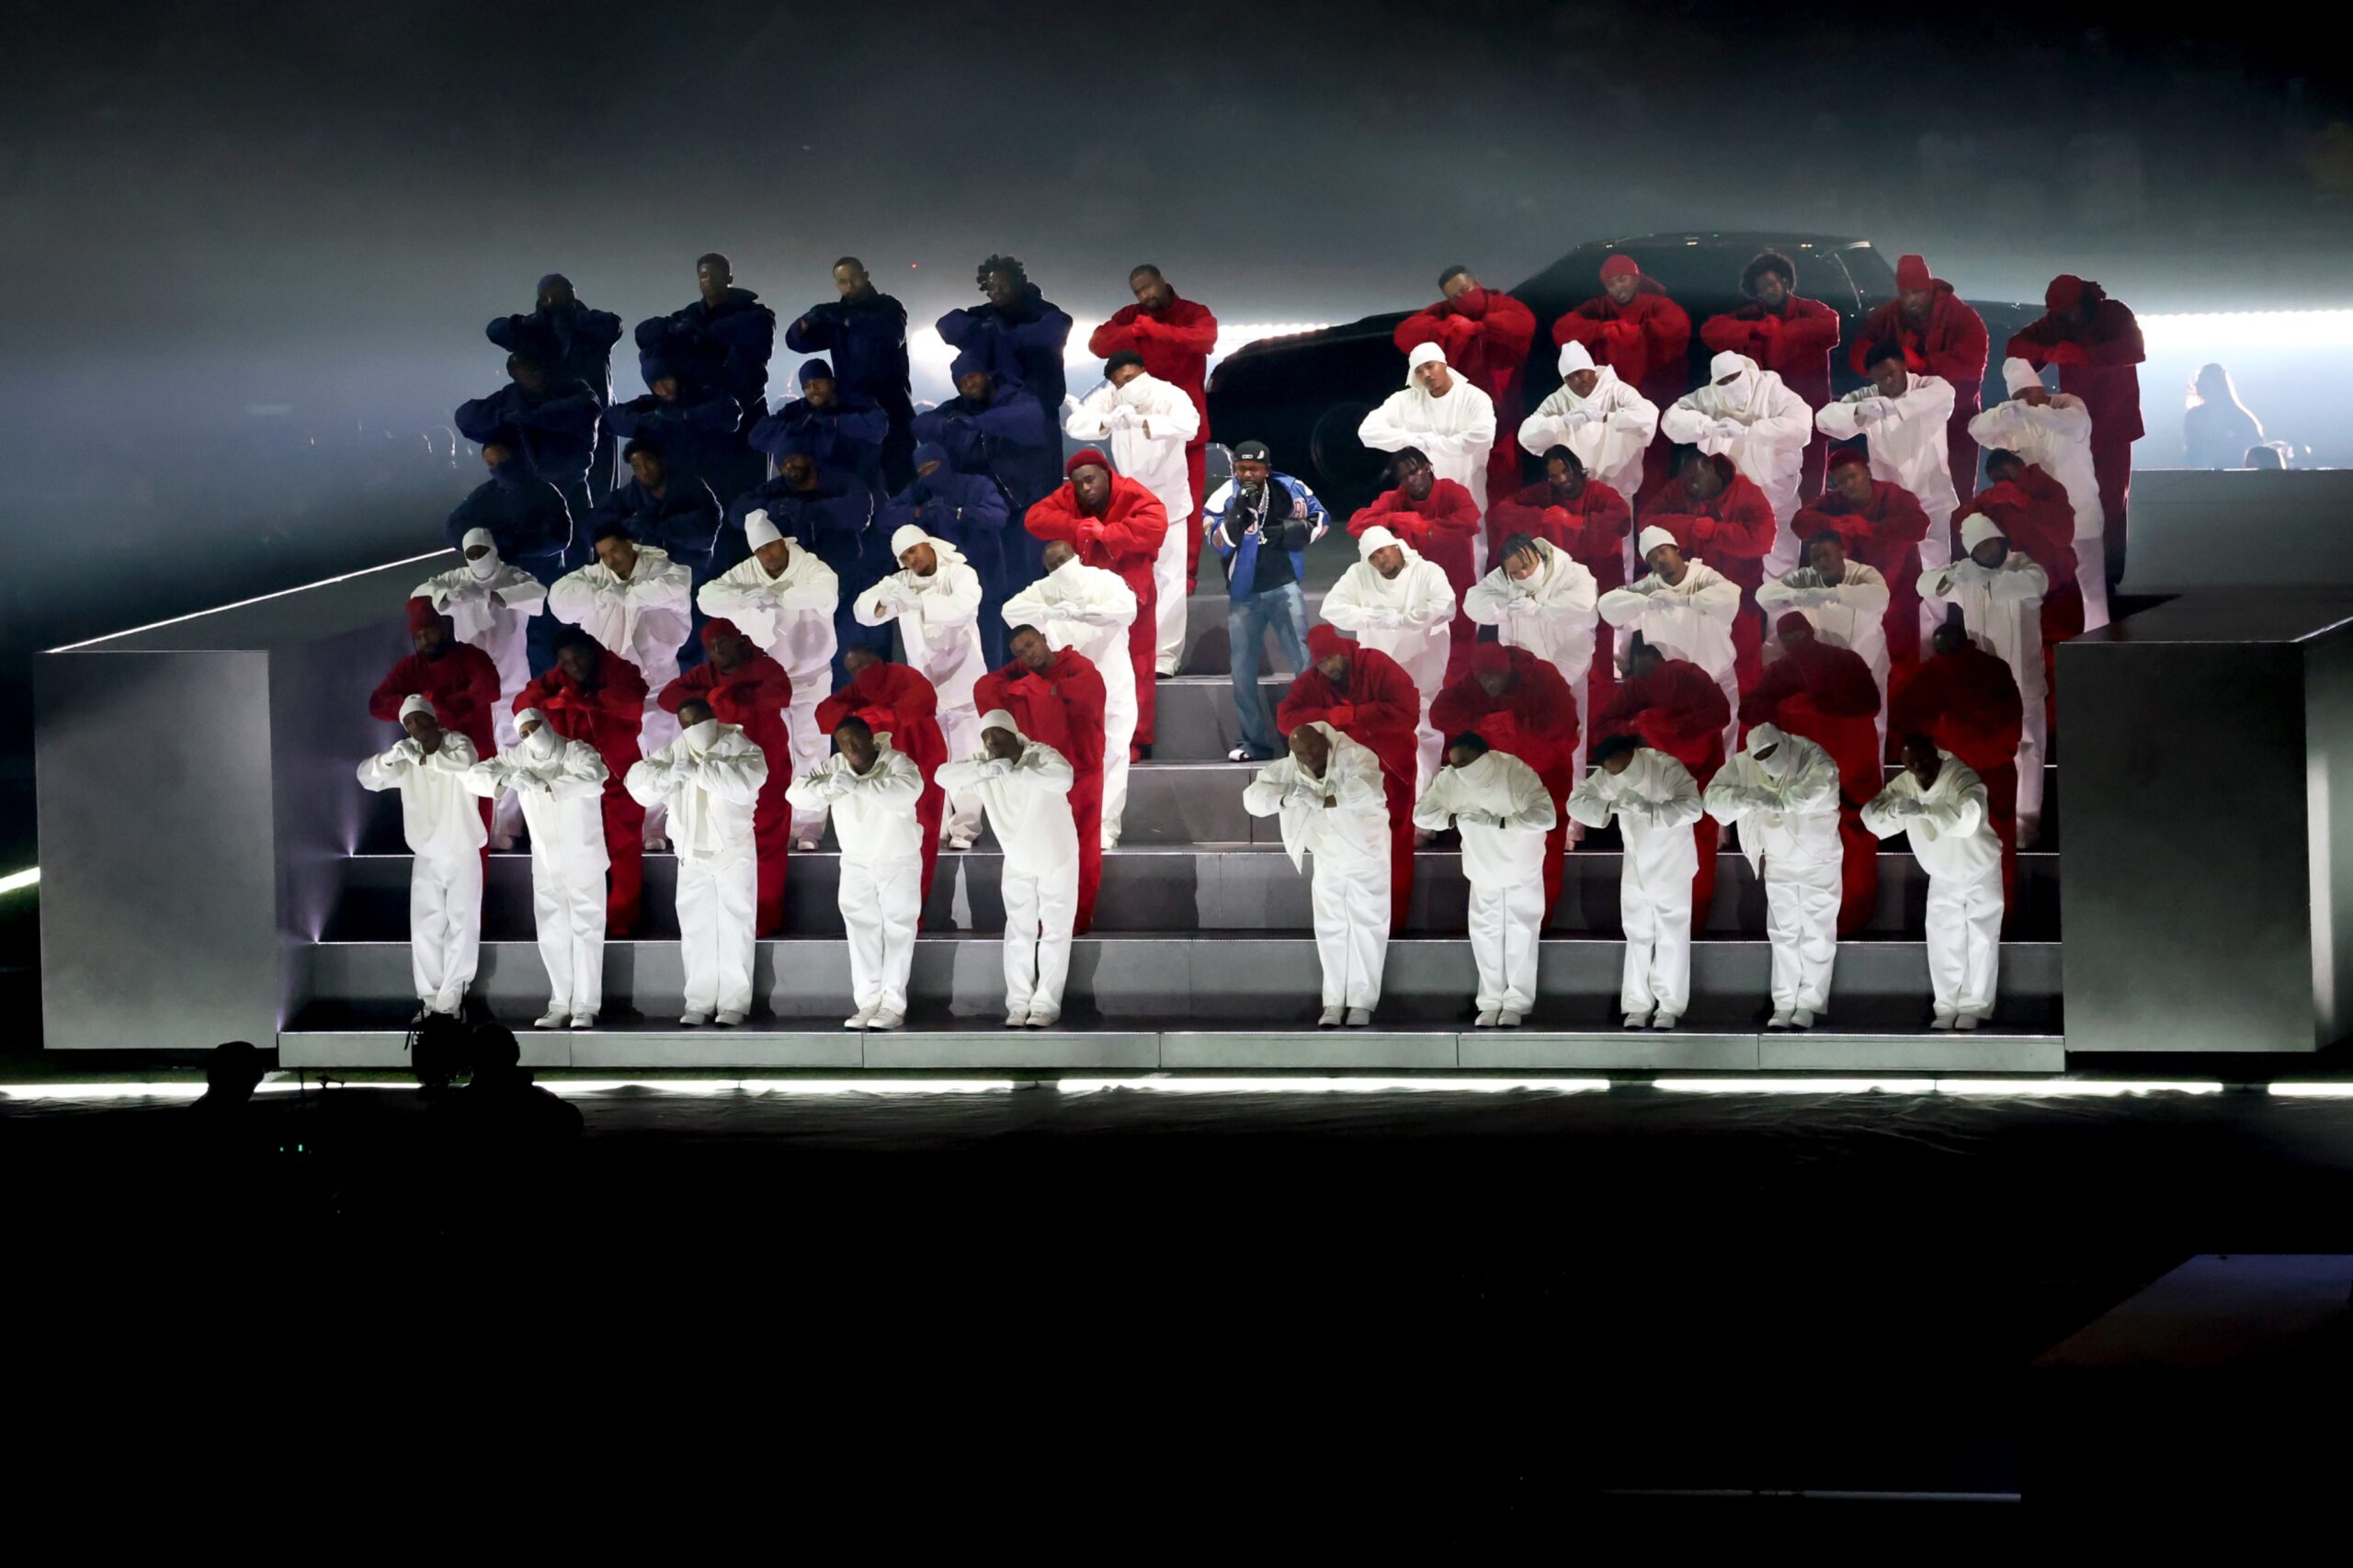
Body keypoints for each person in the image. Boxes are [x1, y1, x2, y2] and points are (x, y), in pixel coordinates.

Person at [697, 510, 840, 847]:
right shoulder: (749, 571)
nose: (768, 556)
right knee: (771, 752)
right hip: (767, 683)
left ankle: (809, 827)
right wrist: (745, 597)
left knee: (811, 749)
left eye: (772, 548)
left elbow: (823, 591)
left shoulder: (810, 566)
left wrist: (777, 596)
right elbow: (707, 598)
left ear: (783, 542)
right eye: (760, 551)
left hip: (809, 675)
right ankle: (774, 821)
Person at [548, 518, 694, 845]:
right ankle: (618, 825)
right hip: (612, 683)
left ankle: (657, 826)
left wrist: (626, 594)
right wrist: (602, 595)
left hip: (657, 677)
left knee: (661, 752)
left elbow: (673, 588)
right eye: (603, 555)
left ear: (630, 544)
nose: (609, 560)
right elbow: (559, 603)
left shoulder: (663, 567)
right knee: (617, 756)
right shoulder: (597, 575)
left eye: (614, 551)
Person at [461, 707, 608, 1029]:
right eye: (524, 733)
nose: (531, 737)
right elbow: (473, 776)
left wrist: (544, 785)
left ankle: (585, 1005)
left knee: (586, 931)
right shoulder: (519, 757)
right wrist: (505, 779)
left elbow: (595, 777)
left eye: (534, 728)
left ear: (548, 724)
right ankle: (559, 1001)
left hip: (583, 856)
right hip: (545, 860)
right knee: (552, 932)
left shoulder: (576, 751)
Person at [626, 695, 767, 1027]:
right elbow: (637, 783)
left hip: (732, 850)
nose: (692, 729)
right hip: (691, 853)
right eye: (686, 724)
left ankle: (734, 1003)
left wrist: (701, 770)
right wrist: (667, 776)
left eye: (698, 721)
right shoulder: (676, 750)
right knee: (695, 928)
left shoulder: (743, 747)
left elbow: (745, 786)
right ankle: (699, 1001)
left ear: (713, 718)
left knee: (736, 925)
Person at [1741, 614, 1884, 937]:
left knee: (1846, 843)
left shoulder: (1834, 662)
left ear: (1808, 632)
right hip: (1826, 771)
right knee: (1834, 845)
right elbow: (1750, 709)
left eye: (1794, 635)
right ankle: (1836, 921)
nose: (1794, 642)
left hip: (1841, 769)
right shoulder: (1785, 669)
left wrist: (1808, 705)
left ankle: (1844, 920)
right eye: (1788, 637)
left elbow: (1869, 703)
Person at [1241, 721, 1392, 1028]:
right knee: (1330, 928)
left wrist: (1325, 800)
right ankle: (1333, 1001)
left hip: (1366, 855)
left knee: (1367, 927)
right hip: (1327, 857)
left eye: (1312, 748)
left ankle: (1362, 1002)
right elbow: (1252, 798)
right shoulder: (1291, 767)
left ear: (1325, 741)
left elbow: (1367, 789)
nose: (1308, 756)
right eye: (1300, 752)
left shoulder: (1356, 755)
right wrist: (1284, 799)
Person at [937, 711, 1080, 1027]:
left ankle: (1045, 1004)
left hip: (1057, 853)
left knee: (1056, 929)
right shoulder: (985, 764)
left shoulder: (1040, 755)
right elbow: (942, 776)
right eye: (986, 736)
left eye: (997, 734)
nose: (990, 741)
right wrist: (985, 769)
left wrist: (1017, 775)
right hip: (1017, 857)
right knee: (1018, 931)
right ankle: (1018, 1003)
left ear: (1014, 734)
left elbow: (1064, 778)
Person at [1023, 449, 1169, 756]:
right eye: (1078, 484)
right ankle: (1089, 736)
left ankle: (1136, 740)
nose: (1084, 489)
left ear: (1107, 474)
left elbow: (1157, 525)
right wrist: (1077, 527)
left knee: (1138, 666)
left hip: (1132, 595)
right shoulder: (1070, 496)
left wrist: (1108, 533)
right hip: (1088, 602)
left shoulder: (1131, 491)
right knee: (1086, 669)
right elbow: (1034, 519)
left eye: (1090, 480)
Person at [1064, 350, 1199, 676]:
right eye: (1117, 381)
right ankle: (1130, 648)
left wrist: (1144, 422)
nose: (1124, 385)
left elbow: (1190, 425)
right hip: (1130, 505)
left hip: (1168, 502)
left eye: (1128, 377)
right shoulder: (1112, 397)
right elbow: (1075, 425)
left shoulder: (1170, 394)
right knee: (1129, 576)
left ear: (1142, 369)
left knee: (1169, 576)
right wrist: (1106, 421)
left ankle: (1165, 656)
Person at [1279, 627, 1424, 932]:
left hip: (1391, 770)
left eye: (1333, 658)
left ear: (1344, 651)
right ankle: (1360, 926)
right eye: (1322, 663)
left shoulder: (1377, 665)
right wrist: (1332, 717)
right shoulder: (1313, 682)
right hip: (1346, 778)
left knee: (1396, 841)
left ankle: (1395, 922)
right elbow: (1286, 718)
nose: (1329, 667)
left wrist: (1355, 715)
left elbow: (1408, 710)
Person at [786, 715, 926, 1029]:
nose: (852, 748)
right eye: (845, 743)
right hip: (856, 861)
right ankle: (868, 1003)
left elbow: (907, 793)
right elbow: (794, 794)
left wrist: (860, 786)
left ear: (872, 739)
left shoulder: (897, 762)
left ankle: (892, 1004)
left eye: (857, 740)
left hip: (897, 858)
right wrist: (826, 790)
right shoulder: (835, 766)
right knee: (861, 931)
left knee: (898, 930)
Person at [854, 524, 989, 847]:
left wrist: (919, 605)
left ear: (927, 544)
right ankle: (936, 825)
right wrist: (884, 599)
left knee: (967, 755)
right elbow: (862, 612)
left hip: (963, 678)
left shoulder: (959, 573)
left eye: (913, 550)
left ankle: (966, 827)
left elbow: (965, 606)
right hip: (926, 686)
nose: (911, 559)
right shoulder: (902, 581)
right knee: (932, 758)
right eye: (903, 556)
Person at [2006, 275, 2144, 590]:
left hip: (2114, 426)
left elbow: (2133, 349)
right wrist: (2049, 351)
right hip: (2078, 425)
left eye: (2070, 311)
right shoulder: (2058, 322)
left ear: (2085, 301)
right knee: (2077, 500)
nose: (2067, 318)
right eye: (2060, 313)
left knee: (2111, 502)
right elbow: (2016, 346)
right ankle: (2078, 571)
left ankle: (2109, 576)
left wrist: (2081, 355)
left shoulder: (2115, 313)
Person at [658, 620, 795, 937]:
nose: (717, 651)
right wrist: (715, 695)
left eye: (723, 643)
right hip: (726, 772)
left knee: (770, 842)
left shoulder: (763, 665)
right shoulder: (705, 674)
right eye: (711, 647)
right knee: (730, 845)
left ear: (739, 641)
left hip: (768, 765)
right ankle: (733, 922)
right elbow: (669, 699)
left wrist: (727, 698)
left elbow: (781, 694)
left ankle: (768, 918)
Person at [1703, 722, 1841, 1029]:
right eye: (1760, 756)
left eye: (1771, 753)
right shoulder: (1744, 763)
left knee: (1817, 932)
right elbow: (1712, 798)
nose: (1765, 760)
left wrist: (1774, 800)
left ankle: (1809, 1003)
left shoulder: (1811, 754)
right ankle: (1783, 1002)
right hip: (1778, 859)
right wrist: (1745, 798)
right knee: (1783, 933)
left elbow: (1819, 787)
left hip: (1818, 858)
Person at [1088, 265, 1217, 593]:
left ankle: (1185, 574)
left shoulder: (1192, 312)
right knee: (1139, 503)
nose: (1146, 295)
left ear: (1164, 281)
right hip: (1140, 436)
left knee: (1187, 506)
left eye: (1149, 287)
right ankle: (1142, 565)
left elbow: (1205, 338)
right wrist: (1135, 330)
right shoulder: (1132, 316)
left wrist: (1154, 330)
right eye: (1138, 291)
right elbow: (1098, 343)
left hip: (1185, 432)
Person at [1415, 731, 1557, 1027]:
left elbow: (1547, 817)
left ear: (1483, 755)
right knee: (1485, 937)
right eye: (1453, 763)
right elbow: (1422, 815)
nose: (1458, 768)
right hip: (1482, 868)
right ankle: (1490, 1001)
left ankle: (1517, 1002)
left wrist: (1501, 822)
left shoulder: (1514, 771)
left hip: (1521, 866)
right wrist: (1453, 818)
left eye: (1464, 761)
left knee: (1521, 934)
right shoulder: (1451, 778)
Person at [912, 358, 1054, 653]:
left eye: (972, 376)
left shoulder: (1016, 396)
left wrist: (978, 423)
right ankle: (996, 667)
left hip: (1020, 509)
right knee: (987, 596)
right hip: (980, 519)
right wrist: (947, 424)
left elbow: (1030, 419)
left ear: (987, 373)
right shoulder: (955, 408)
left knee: (1025, 590)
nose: (968, 384)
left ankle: (1030, 662)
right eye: (961, 381)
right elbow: (920, 424)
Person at [514, 630, 652, 935]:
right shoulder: (557, 678)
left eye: (577, 657)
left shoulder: (618, 669)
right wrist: (554, 701)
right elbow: (523, 706)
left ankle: (621, 920)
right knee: (579, 850)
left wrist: (587, 701)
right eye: (565, 661)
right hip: (576, 780)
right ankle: (585, 921)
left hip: (619, 776)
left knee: (622, 849)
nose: (572, 665)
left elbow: (631, 703)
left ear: (592, 652)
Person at [1922, 517, 2050, 845]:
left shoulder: (2024, 566)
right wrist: (1953, 574)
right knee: (1979, 753)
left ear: (2001, 540)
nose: (1985, 551)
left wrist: (1983, 581)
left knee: (2029, 751)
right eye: (1978, 548)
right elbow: (1922, 585)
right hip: (1983, 687)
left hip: (2024, 680)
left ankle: (2025, 825)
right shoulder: (1968, 575)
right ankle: (1981, 819)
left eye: (1988, 543)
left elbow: (2035, 585)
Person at [358, 695, 485, 1022]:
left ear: (433, 718)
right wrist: (389, 758)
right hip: (426, 855)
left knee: (462, 924)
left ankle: (452, 998)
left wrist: (424, 761)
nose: (415, 726)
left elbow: (466, 763)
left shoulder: (457, 742)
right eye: (409, 723)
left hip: (462, 852)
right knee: (426, 927)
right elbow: (367, 778)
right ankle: (430, 1000)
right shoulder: (406, 756)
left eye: (419, 718)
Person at [1863, 734, 2004, 1030]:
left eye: (1923, 761)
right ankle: (1945, 1005)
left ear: (1936, 754)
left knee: (1980, 937)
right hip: (1941, 872)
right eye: (1911, 765)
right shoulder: (1906, 783)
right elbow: (1872, 816)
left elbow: (1969, 819)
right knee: (1942, 938)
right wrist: (1892, 810)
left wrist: (1925, 810)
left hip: (1979, 867)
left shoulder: (1961, 777)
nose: (1918, 768)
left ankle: (1974, 1006)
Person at [974, 624, 1109, 933]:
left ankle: (1079, 915)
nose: (1028, 654)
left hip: (1082, 771)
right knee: (1044, 842)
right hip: (1042, 775)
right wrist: (1033, 690)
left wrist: (1040, 691)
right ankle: (1045, 917)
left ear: (1045, 639)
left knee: (1083, 843)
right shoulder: (1020, 671)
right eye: (1020, 652)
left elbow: (1088, 696)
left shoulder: (1076, 666)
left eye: (1031, 645)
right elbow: (985, 688)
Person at [1430, 642, 1581, 917]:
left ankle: (1544, 916)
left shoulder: (1542, 676)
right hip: (1499, 783)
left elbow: (1563, 726)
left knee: (1547, 844)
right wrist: (1483, 723)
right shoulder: (1472, 682)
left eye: (1494, 676)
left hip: (1546, 775)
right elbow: (1439, 713)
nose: (1489, 683)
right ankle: (1503, 918)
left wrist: (1507, 724)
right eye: (1483, 678)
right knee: (1495, 848)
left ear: (1508, 670)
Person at [1566, 733, 1705, 1030]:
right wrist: (1608, 807)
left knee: (1671, 936)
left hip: (1672, 863)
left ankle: (1669, 1006)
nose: (1616, 775)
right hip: (1636, 864)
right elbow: (1576, 803)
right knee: (1637, 934)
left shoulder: (1666, 767)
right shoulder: (1608, 774)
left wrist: (1650, 809)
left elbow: (1693, 807)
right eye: (1611, 771)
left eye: (1620, 768)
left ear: (1634, 753)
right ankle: (1636, 1006)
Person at [1004, 541, 1139, 846]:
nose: (1060, 570)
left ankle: (1106, 825)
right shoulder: (1044, 589)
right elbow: (1010, 610)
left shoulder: (1105, 580)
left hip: (1112, 679)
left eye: (1063, 561)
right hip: (1071, 688)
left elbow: (1126, 610)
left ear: (1076, 557)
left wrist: (1083, 613)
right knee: (1071, 756)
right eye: (1053, 566)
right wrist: (1049, 611)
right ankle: (1071, 822)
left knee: (1115, 752)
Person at [415, 530, 546, 845]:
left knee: (513, 750)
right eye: (470, 552)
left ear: (493, 548)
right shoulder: (457, 578)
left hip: (512, 679)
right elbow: (421, 593)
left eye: (480, 550)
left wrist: (492, 596)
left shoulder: (513, 576)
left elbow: (538, 593)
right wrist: (449, 597)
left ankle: (508, 826)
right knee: (472, 752)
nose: (476, 558)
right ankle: (478, 824)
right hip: (471, 686)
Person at [1816, 340, 1961, 620]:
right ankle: (1891, 640)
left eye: (1892, 373)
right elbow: (1824, 419)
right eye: (1880, 377)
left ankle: (1933, 640)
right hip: (1888, 504)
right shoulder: (1869, 396)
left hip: (1931, 496)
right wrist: (1859, 412)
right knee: (1889, 572)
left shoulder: (1931, 386)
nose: (1888, 381)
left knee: (1935, 570)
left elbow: (1939, 398)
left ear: (1905, 365)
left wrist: (1892, 409)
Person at [1892, 621, 2026, 912]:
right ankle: (2003, 910)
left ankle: (1982, 910)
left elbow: (1905, 725)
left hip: (1953, 774)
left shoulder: (1928, 675)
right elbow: (2009, 722)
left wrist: (1944, 732)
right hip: (1988, 769)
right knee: (1995, 842)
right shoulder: (1991, 669)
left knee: (1952, 844)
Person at [1596, 634, 1733, 919]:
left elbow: (1719, 714)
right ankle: (1669, 917)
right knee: (1661, 848)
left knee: (1699, 846)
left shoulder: (1688, 676)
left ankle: (1694, 918)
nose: (1646, 673)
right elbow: (1605, 724)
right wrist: (1638, 725)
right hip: (1659, 779)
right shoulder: (1637, 686)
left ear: (1659, 660)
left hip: (1700, 771)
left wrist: (1663, 725)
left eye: (1649, 667)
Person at [1204, 440, 1324, 762]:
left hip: (1284, 587)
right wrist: (1236, 513)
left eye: (1253, 469)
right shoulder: (1223, 497)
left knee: (1304, 663)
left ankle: (1315, 740)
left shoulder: (1290, 488)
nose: (1247, 474)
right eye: (1241, 468)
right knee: (1242, 672)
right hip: (1244, 594)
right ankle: (1254, 743)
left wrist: (1288, 533)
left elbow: (1321, 519)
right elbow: (1218, 544)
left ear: (1266, 470)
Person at [1968, 358, 2108, 631]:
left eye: (2027, 393)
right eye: (2017, 397)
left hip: (2082, 518)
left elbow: (2070, 424)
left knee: (2091, 594)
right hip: (2044, 525)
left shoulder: (2069, 406)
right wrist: (2003, 414)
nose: (2024, 401)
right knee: (2051, 596)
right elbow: (1976, 429)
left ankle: (2097, 653)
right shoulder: (2016, 422)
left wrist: (2027, 412)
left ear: (2039, 387)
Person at [1320, 524, 1459, 798]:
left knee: (1422, 732)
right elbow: (1331, 608)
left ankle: (1422, 809)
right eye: (1372, 557)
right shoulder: (1359, 575)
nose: (1380, 560)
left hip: (1422, 665)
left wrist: (1404, 620)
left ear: (1396, 546)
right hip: (1380, 673)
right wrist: (1371, 616)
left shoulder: (1426, 571)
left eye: (1382, 552)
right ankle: (1391, 806)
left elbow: (1445, 606)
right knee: (1381, 735)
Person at [1462, 531, 1601, 802]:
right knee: (1524, 742)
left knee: (1572, 740)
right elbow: (1472, 604)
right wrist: (1506, 608)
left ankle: (1571, 818)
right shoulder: (1503, 578)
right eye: (1516, 572)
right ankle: (1526, 803)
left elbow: (1582, 604)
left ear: (1539, 554)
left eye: (1527, 566)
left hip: (1566, 670)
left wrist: (1538, 608)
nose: (1524, 575)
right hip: (1522, 677)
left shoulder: (1572, 573)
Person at [1699, 250, 1843, 500]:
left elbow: (1830, 325)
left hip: (1808, 407)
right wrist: (1755, 329)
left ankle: (1810, 527)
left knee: (1810, 477)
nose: (1768, 291)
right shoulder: (1754, 314)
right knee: (1768, 479)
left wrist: (1782, 333)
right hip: (1768, 413)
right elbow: (1711, 330)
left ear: (1785, 281)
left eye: (1772, 283)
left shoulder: (1809, 309)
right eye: (1762, 288)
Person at [631, 252, 775, 497]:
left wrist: (697, 332)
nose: (708, 280)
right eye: (703, 275)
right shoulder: (689, 315)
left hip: (747, 415)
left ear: (728, 278)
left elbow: (751, 338)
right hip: (703, 418)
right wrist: (674, 329)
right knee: (704, 496)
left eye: (714, 274)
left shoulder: (756, 315)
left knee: (748, 501)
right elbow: (643, 334)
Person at [1849, 254, 1988, 506]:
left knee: (1955, 497)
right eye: (1904, 294)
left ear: (1928, 288)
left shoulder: (1963, 317)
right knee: (1901, 496)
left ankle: (1957, 544)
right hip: (1903, 422)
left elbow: (1971, 367)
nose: (1910, 300)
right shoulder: (1890, 315)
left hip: (1952, 421)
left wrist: (1921, 365)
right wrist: (1884, 360)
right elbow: (1859, 354)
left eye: (1916, 292)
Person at [1395, 266, 1540, 503]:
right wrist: (1448, 327)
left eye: (1465, 290)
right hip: (1461, 415)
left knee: (1505, 476)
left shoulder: (1501, 303)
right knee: (1466, 477)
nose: (1462, 299)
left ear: (1477, 283)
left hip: (1504, 411)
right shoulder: (1444, 312)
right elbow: (1404, 333)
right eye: (1454, 297)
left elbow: (1523, 324)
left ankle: (1506, 534)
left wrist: (1479, 328)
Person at [817, 648, 951, 902]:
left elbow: (917, 705)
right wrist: (859, 715)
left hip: (920, 757)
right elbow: (824, 716)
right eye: (854, 670)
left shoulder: (906, 677)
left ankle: (916, 905)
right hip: (878, 766)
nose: (861, 673)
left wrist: (869, 714)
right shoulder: (859, 689)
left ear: (879, 661)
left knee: (923, 829)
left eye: (864, 665)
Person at [1625, 460, 1771, 692]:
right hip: (1694, 594)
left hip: (1739, 597)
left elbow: (1763, 539)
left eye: (1696, 479)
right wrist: (1690, 527)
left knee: (1742, 666)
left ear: (1712, 470)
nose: (1691, 486)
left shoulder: (1745, 492)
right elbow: (1647, 522)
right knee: (1691, 664)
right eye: (1687, 480)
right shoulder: (1680, 488)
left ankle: (1745, 722)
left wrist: (1716, 532)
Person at [1660, 351, 1813, 573]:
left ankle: (1782, 605)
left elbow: (1801, 424)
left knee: (1782, 561)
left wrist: (1749, 431)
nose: (1730, 385)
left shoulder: (1770, 389)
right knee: (1725, 564)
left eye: (1734, 378)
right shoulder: (1708, 396)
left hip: (1775, 491)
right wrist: (1706, 426)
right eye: (1723, 382)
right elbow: (1672, 420)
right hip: (1728, 498)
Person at [733, 451, 882, 675]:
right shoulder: (777, 489)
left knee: (851, 651)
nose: (788, 465)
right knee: (807, 653)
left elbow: (860, 512)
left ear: (810, 457)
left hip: (845, 581)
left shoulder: (838, 480)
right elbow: (737, 514)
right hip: (802, 586)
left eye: (793, 457)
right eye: (782, 461)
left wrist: (812, 510)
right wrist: (767, 509)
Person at [1789, 448, 1932, 673]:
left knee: (1902, 657)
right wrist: (1830, 523)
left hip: (1899, 591)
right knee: (1857, 656)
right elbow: (1799, 523)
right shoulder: (1834, 502)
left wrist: (1871, 528)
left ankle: (1903, 706)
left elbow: (1919, 526)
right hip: (1858, 595)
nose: (1848, 485)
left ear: (1867, 472)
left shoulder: (1894, 496)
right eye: (1841, 482)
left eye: (1852, 476)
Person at [487, 274, 625, 499]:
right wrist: (535, 321)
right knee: (560, 492)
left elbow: (614, 325)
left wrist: (570, 316)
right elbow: (495, 331)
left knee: (602, 492)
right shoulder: (536, 331)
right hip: (554, 422)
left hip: (596, 418)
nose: (564, 299)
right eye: (555, 296)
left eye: (568, 294)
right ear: (543, 300)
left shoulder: (592, 328)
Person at [1349, 447, 1483, 678]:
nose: (1411, 480)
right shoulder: (1396, 499)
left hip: (1455, 581)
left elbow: (1470, 520)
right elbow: (1356, 525)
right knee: (1420, 650)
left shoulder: (1452, 491)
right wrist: (1398, 518)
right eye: (1403, 477)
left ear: (1428, 467)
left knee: (1461, 645)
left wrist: (1428, 528)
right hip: (1416, 588)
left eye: (1414, 471)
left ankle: (1458, 697)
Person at [1959, 450, 2085, 695]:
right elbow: (1960, 522)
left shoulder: (2047, 489)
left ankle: (2064, 723)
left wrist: (2024, 501)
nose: (2004, 483)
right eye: (1997, 479)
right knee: (2025, 668)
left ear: (2021, 468)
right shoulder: (1994, 501)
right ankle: (2040, 727)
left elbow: (2063, 533)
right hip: (2021, 593)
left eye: (2009, 476)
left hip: (2058, 592)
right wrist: (1983, 502)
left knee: (2062, 663)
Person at [785, 256, 915, 489]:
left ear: (865, 275)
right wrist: (806, 321)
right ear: (837, 285)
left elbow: (892, 334)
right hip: (854, 408)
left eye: (854, 278)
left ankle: (908, 523)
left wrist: (846, 320)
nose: (850, 285)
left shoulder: (888, 306)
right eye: (843, 281)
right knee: (858, 481)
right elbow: (797, 343)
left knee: (900, 477)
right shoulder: (834, 314)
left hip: (891, 404)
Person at [1357, 343, 1499, 553]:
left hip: (1464, 492)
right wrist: (1414, 440)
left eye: (1430, 366)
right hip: (1420, 498)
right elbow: (1367, 432)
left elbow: (1483, 437)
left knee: (1470, 558)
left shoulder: (1473, 397)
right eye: (1419, 371)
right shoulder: (1406, 400)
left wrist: (1433, 443)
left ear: (1444, 363)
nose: (1426, 374)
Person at [1516, 343, 1660, 544]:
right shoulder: (1559, 399)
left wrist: (1607, 417)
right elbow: (1527, 434)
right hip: (1576, 491)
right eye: (1569, 378)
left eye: (1580, 373)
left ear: (1591, 369)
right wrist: (1561, 422)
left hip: (1616, 485)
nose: (1576, 381)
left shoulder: (1616, 390)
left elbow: (1648, 415)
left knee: (1616, 549)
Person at [1756, 531, 1894, 738]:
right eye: (1816, 558)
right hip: (1826, 669)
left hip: (1867, 659)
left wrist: (1831, 594)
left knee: (1873, 726)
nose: (1821, 562)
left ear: (1842, 553)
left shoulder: (1864, 573)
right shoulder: (1806, 577)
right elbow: (1764, 596)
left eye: (1826, 554)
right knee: (1829, 730)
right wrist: (1795, 595)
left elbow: (1880, 598)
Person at [1551, 254, 1694, 442]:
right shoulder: (1599, 306)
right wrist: (1602, 330)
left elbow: (1676, 327)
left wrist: (1617, 333)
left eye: (1622, 280)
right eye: (1610, 284)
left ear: (1635, 278)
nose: (1618, 288)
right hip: (1610, 398)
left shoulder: (1656, 303)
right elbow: (1563, 329)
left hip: (1650, 389)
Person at [370, 598, 503, 795]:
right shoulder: (409, 667)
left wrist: (446, 705)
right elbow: (378, 704)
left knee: (478, 820)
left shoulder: (470, 655)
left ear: (443, 629)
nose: (425, 641)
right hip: (432, 762)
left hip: (477, 757)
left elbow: (489, 687)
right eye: (419, 636)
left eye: (430, 632)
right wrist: (415, 706)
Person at [454, 350, 604, 515]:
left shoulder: (573, 388)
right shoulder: (510, 397)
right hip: (525, 491)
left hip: (569, 486)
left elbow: (583, 409)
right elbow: (465, 417)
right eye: (523, 372)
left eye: (534, 369)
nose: (533, 375)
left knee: (578, 531)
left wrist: (530, 417)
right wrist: (502, 417)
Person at [583, 439, 723, 592]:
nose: (644, 471)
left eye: (648, 462)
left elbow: (707, 528)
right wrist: (623, 529)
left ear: (661, 461)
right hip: (647, 577)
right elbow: (595, 518)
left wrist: (658, 526)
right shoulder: (634, 492)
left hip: (691, 575)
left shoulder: (690, 487)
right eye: (636, 467)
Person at [748, 358, 887, 496]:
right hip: (813, 489)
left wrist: (834, 422)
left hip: (858, 487)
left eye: (818, 382)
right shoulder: (799, 409)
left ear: (832, 383)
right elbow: (757, 436)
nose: (813, 389)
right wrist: (792, 427)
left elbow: (878, 427)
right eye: (807, 386)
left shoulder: (855, 403)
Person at [603, 364, 743, 497]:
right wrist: (647, 422)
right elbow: (610, 418)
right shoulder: (651, 404)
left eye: (666, 380)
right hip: (666, 488)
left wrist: (685, 417)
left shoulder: (705, 397)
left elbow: (731, 412)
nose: (663, 390)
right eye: (656, 385)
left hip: (709, 484)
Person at [447, 442, 575, 583]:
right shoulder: (486, 494)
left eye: (502, 460)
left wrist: (513, 542)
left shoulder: (543, 491)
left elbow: (560, 537)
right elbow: (454, 527)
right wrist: (484, 540)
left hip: (544, 577)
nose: (498, 468)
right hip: (503, 581)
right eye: (491, 464)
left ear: (515, 457)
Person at [2182, 362, 2264, 472]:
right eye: (2200, 381)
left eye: (2205, 381)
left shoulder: (2241, 418)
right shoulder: (2193, 417)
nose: (2198, 384)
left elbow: (2256, 449)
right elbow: (2192, 453)